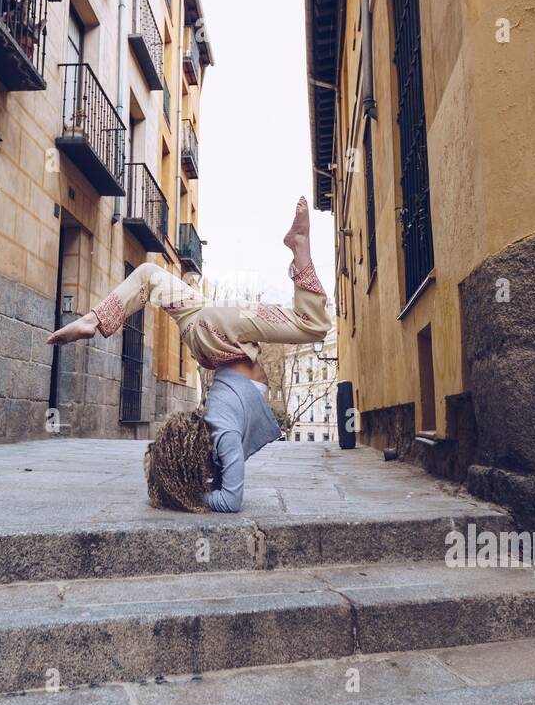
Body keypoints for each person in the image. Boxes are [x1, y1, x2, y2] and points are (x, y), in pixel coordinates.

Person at [47, 197, 329, 512]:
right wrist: (195, 496)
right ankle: (93, 320)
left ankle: (94, 319)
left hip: (214, 334)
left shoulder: (217, 433)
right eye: (175, 437)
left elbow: (227, 497)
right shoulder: (223, 439)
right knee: (149, 276)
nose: (175, 425)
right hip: (212, 335)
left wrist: (191, 494)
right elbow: (229, 500)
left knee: (311, 324)